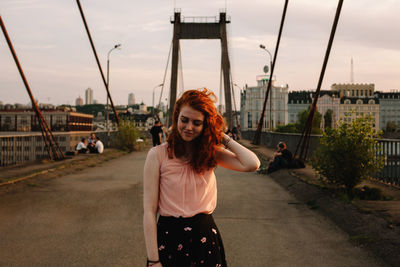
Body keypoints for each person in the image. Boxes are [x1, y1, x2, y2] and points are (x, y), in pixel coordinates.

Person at [143, 89, 260, 267]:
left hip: (204, 240)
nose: (189, 127)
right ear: (176, 118)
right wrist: (153, 260)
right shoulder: (157, 155)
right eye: (184, 120)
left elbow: (252, 164)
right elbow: (149, 211)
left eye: (197, 123)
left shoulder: (211, 153)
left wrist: (221, 136)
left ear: (205, 125)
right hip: (168, 238)